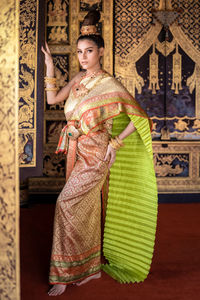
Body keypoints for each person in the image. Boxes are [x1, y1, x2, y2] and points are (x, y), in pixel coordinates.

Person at [42, 9, 157, 297]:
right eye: (80, 51)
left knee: (65, 204)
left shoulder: (111, 84)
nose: (83, 56)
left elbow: (141, 118)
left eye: (89, 51)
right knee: (85, 209)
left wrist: (115, 144)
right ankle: (90, 268)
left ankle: (63, 274)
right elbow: (53, 98)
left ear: (101, 52)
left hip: (97, 157)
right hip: (79, 153)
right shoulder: (79, 81)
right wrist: (49, 67)